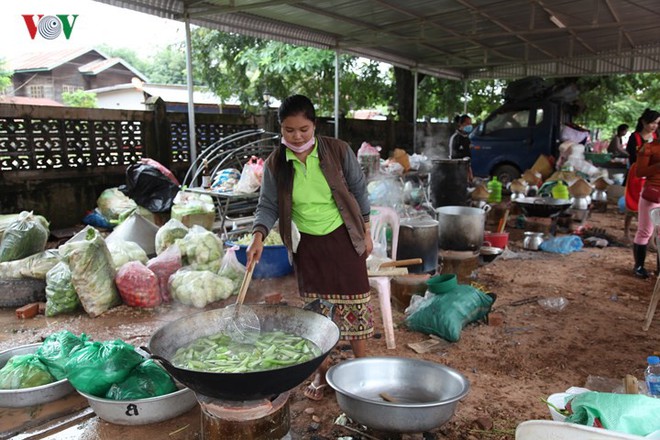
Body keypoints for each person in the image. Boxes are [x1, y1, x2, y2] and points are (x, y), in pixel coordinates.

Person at [246, 94, 374, 401]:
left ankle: (363, 369)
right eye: (289, 130)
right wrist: (257, 235)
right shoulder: (277, 163)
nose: (297, 136)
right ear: (281, 129)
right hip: (308, 246)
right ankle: (322, 372)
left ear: (314, 125)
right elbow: (267, 205)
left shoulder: (337, 150)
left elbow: (358, 190)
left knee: (355, 303)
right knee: (317, 312)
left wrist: (366, 230)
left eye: (303, 129)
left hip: (344, 237)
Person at [624, 109, 660, 246]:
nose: (654, 126)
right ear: (644, 122)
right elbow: (633, 157)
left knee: (654, 206)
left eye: (657, 123)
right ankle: (627, 232)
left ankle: (651, 238)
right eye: (652, 123)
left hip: (652, 176)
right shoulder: (635, 137)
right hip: (637, 174)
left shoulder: (657, 138)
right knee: (633, 203)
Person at [633, 132, 660, 278]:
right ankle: (639, 267)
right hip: (652, 193)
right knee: (645, 231)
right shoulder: (648, 148)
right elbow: (639, 172)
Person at [448, 114, 474, 181]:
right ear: (461, 124)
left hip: (466, 168)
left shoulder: (467, 138)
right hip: (456, 169)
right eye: (467, 123)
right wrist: (464, 159)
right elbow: (453, 155)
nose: (470, 125)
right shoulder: (455, 138)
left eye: (470, 123)